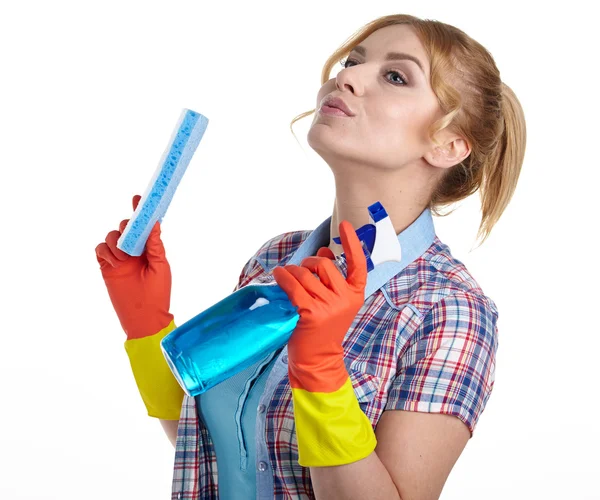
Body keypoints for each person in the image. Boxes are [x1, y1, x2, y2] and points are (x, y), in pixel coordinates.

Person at [96, 13, 526, 500]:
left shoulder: (448, 311)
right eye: (352, 61)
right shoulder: (274, 260)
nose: (346, 76)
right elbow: (222, 448)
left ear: (448, 145)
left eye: (395, 76)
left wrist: (321, 371)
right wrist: (146, 324)